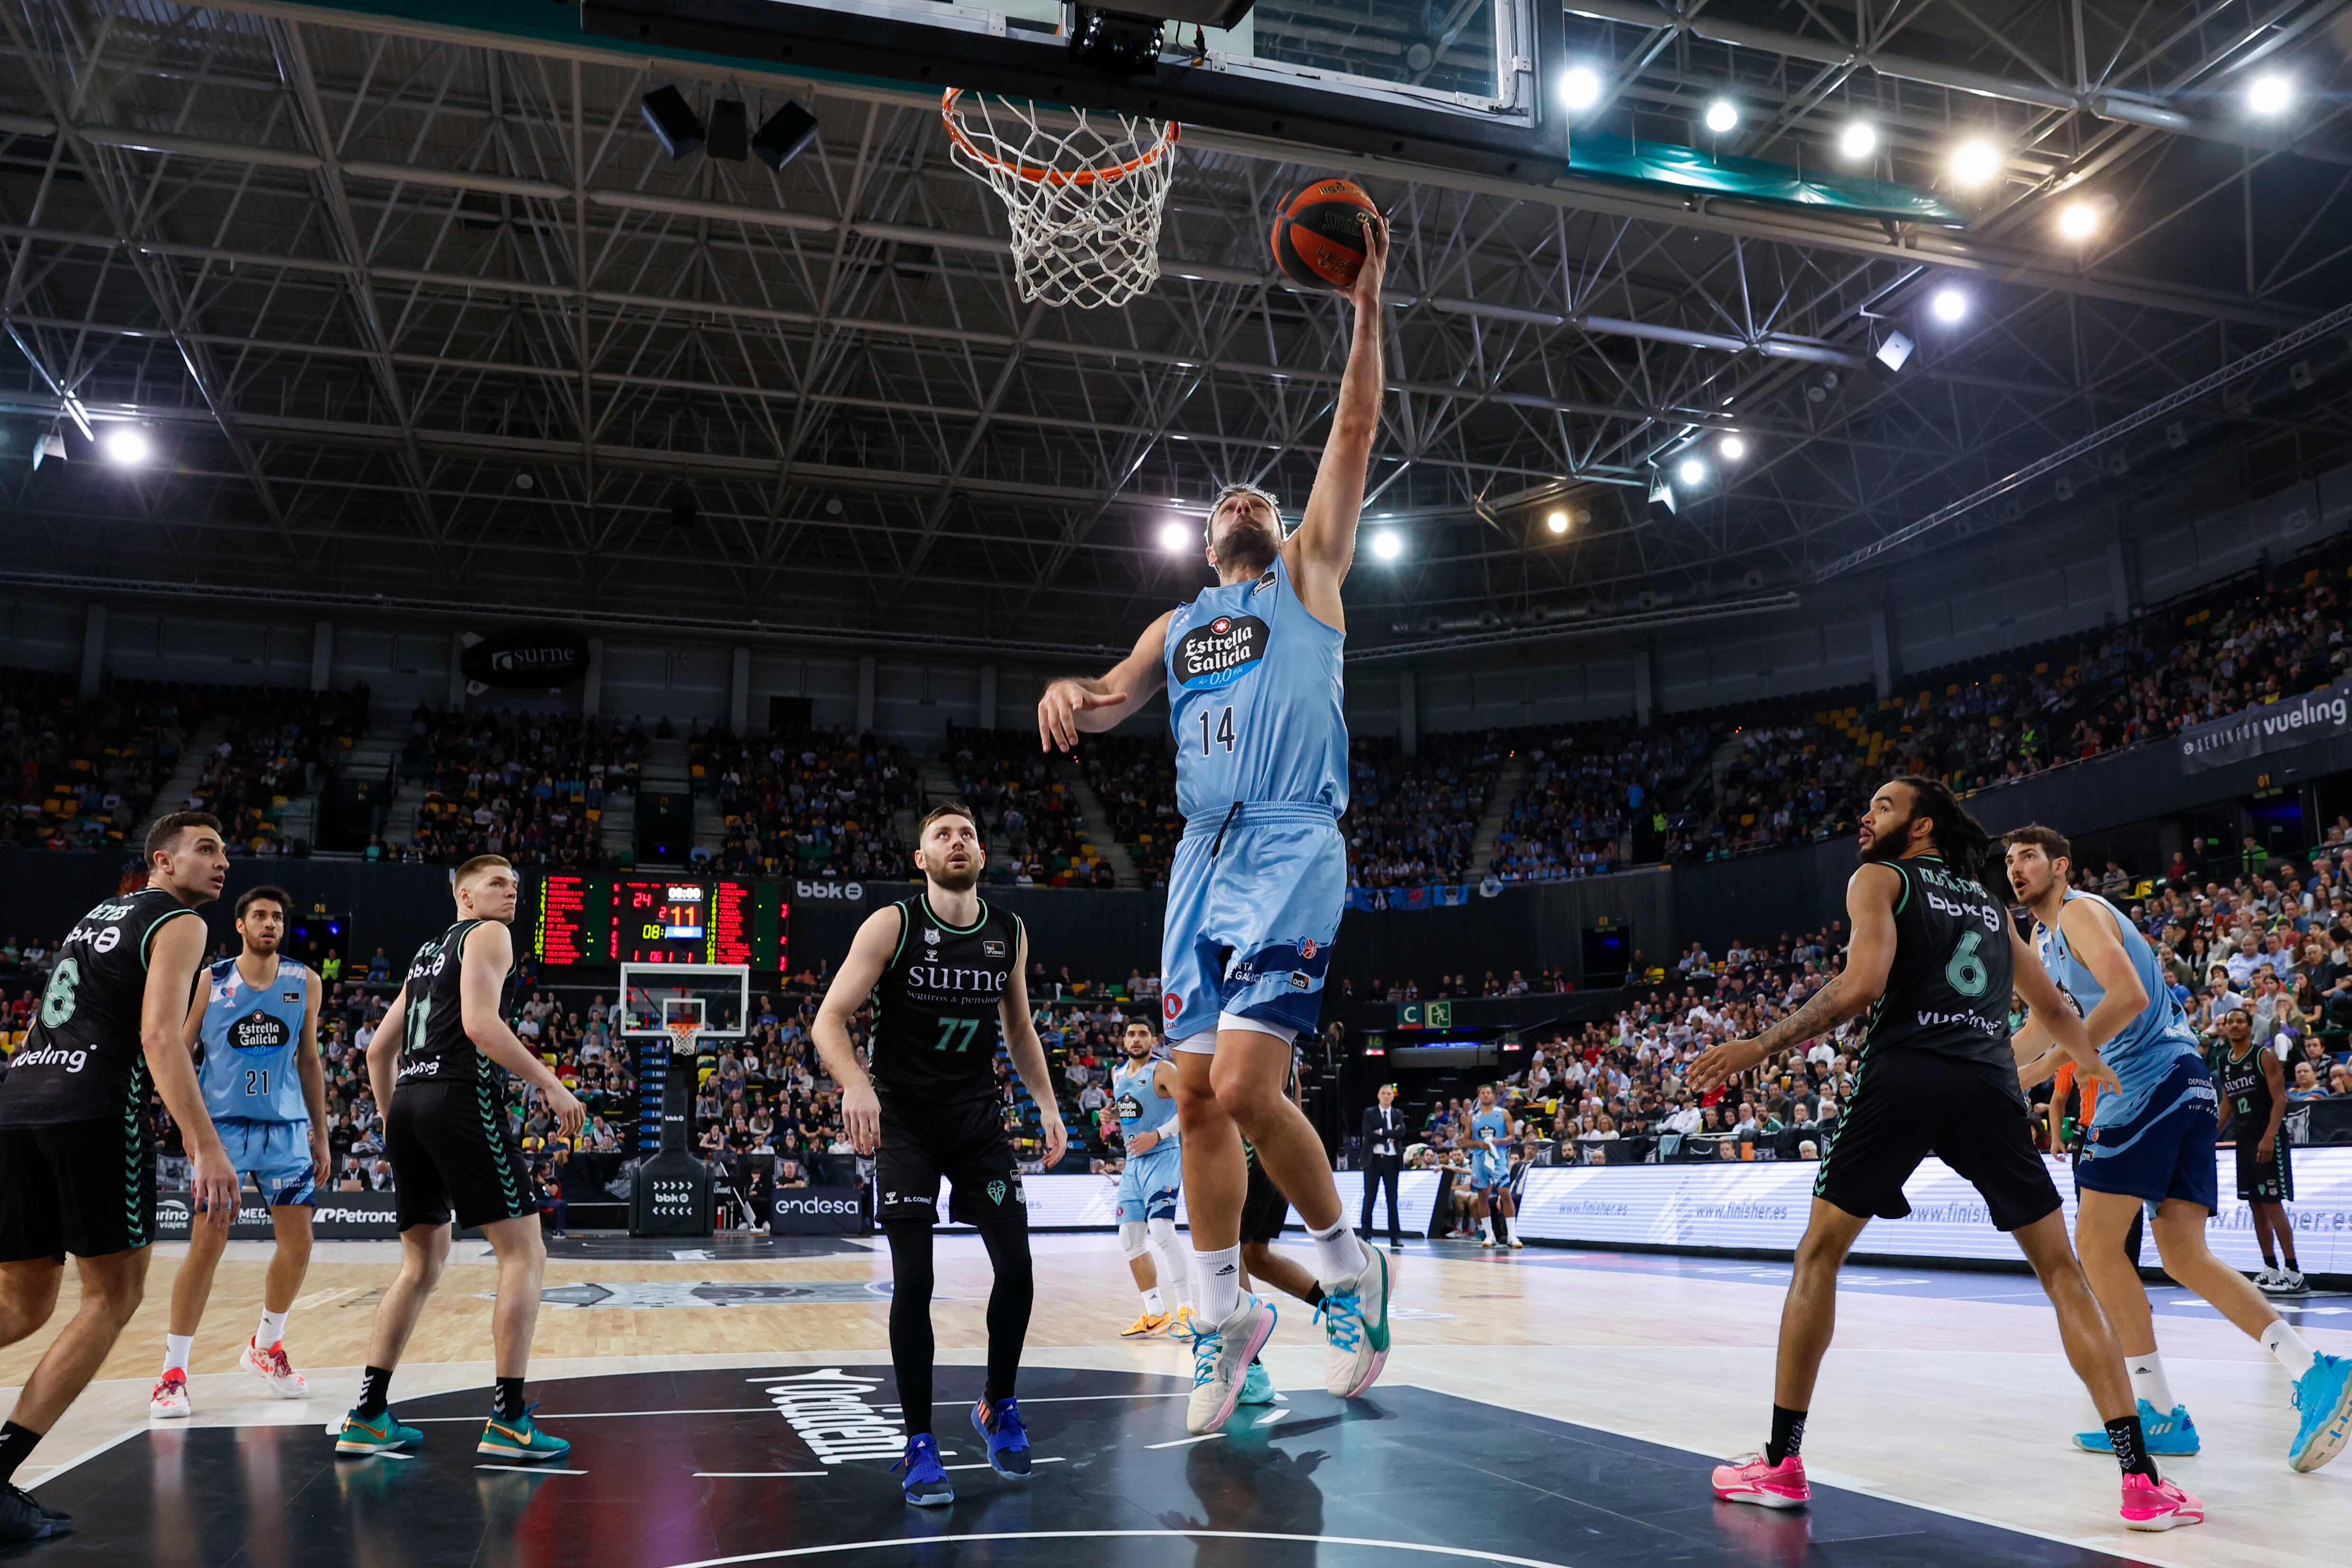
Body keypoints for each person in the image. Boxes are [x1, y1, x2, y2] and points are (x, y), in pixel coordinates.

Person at [1037, 206, 1396, 1439]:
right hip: (1202, 863)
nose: (1241, 499)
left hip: (1294, 839)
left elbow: (1351, 430)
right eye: (1222, 502)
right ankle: (1223, 1315)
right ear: (1202, 542)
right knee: (1192, 1099)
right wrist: (1068, 698)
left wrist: (1363, 307)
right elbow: (1106, 698)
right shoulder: (1177, 627)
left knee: (1243, 1085)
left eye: (1254, 492)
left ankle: (1347, 1267)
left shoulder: (1308, 571)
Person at [1689, 777, 2200, 1531]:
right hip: (1990, 1084)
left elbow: (1862, 985)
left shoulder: (1881, 879)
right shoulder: (1994, 910)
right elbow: (2056, 1009)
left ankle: (1782, 1463)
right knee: (2062, 1273)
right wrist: (2088, 1063)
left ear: (1920, 826)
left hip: (1906, 1074)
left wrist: (1759, 1045)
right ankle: (2142, 1483)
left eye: (1883, 807)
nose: (1867, 817)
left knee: (1819, 1257)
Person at [2007, 826, 2349, 1474]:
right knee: (2185, 1254)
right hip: (2187, 1081)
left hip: (2146, 1081)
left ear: (2061, 864)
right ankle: (2313, 1370)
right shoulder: (2040, 938)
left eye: (2029, 857)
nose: (2017, 868)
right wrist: (2000, 1069)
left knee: (2099, 1248)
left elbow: (2129, 997)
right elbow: (2037, 1027)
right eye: (2010, 860)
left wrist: (2070, 1059)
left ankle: (2156, 1409)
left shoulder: (2078, 911)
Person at [814, 803, 1068, 1507]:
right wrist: (856, 1084)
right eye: (941, 835)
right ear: (920, 859)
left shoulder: (1008, 932)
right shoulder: (893, 925)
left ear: (982, 855)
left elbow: (1019, 1030)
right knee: (915, 1282)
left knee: (1016, 1269)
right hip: (904, 1122)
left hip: (975, 1120)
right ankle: (920, 1443)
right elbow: (829, 1018)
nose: (957, 841)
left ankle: (997, 1403)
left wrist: (1048, 1106)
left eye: (968, 834)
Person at [0, 812, 241, 1543]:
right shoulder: (179, 921)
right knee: (114, 1296)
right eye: (205, 849)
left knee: (25, 1302)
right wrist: (204, 1145)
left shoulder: (98, 915)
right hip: (94, 1111)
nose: (220, 861)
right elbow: (160, 1034)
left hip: (17, 1104)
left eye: (225, 850)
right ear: (162, 862)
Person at [335, 855, 584, 1463]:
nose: (511, 894)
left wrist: (399, 1125)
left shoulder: (427, 953)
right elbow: (479, 1024)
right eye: (497, 884)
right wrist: (550, 1082)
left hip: (412, 1101)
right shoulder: (489, 935)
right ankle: (509, 1420)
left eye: (516, 887)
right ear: (465, 896)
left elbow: (377, 1053)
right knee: (525, 1252)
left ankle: (368, 1414)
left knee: (420, 1265)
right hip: (459, 1096)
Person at [151, 885, 327, 1419]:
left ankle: (267, 1344)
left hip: (287, 1127)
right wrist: (189, 1125)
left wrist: (321, 1131)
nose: (270, 923)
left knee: (299, 1243)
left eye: (277, 916)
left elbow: (310, 1060)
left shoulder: (305, 981)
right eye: (260, 916)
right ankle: (173, 1372)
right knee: (208, 1244)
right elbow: (180, 1049)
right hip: (222, 1127)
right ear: (241, 925)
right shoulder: (214, 979)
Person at [2211, 1007, 2304, 1294]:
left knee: (2272, 1203)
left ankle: (2294, 1272)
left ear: (2251, 1027)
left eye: (2241, 1021)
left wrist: (2269, 1136)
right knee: (2255, 1205)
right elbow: (2227, 1103)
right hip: (2245, 1140)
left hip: (2268, 1138)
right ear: (2225, 1029)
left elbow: (2281, 1100)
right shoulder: (2224, 1061)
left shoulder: (2264, 1056)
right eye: (2230, 1022)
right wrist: (2210, 1136)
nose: (2235, 1026)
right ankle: (2270, 1267)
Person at [1111, 1018, 1194, 1338]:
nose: (1136, 1039)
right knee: (1129, 1238)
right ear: (1123, 1040)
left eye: (1142, 1034)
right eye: (1131, 1034)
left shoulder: (1164, 1070)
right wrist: (1112, 1114)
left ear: (1154, 1040)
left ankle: (1187, 1307)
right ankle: (1155, 1312)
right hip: (1134, 1162)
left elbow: (1189, 1108)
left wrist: (1157, 1135)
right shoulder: (1117, 1074)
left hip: (1164, 1155)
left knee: (1161, 1229)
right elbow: (1132, 1107)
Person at [1465, 1083, 1520, 1248]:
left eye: (1489, 1092)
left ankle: (1512, 1235)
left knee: (1505, 1192)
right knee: (1482, 1194)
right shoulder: (1472, 1116)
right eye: (1483, 1093)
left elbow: (1513, 1137)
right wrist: (1479, 1144)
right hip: (1479, 1159)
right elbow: (1466, 1141)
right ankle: (1490, 1235)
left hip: (1498, 1157)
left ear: (1494, 1096)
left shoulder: (1503, 1113)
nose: (1486, 1095)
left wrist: (1499, 1141)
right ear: (1479, 1096)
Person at [1358, 1084, 1406, 1249]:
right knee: (1369, 1197)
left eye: (1389, 1094)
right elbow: (1368, 1134)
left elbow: (1401, 1134)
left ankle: (1395, 1236)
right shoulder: (1369, 1113)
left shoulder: (1398, 1114)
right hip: (1374, 1161)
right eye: (1384, 1093)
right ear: (1378, 1096)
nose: (1386, 1096)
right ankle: (1365, 1235)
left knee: (1392, 1199)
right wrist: (1389, 1136)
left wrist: (1382, 1132)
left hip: (1392, 1161)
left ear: (1393, 1097)